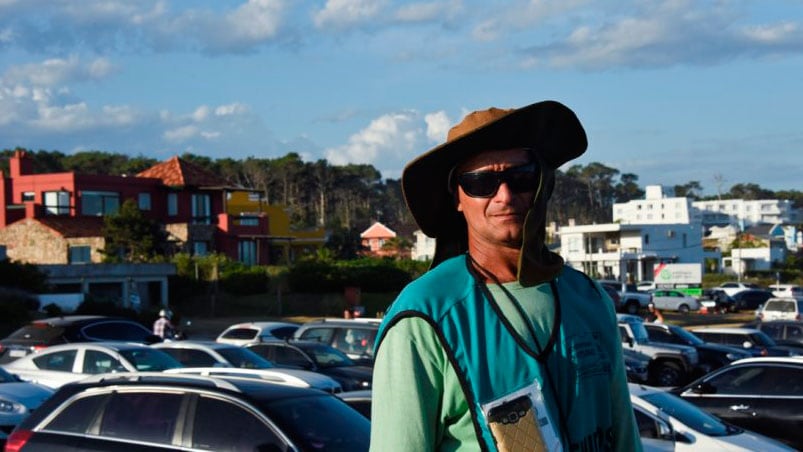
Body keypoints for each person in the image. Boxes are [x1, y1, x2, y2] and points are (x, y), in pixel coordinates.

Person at [370, 101, 641, 451]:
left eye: (521, 177)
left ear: (542, 184)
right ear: (457, 197)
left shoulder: (589, 298)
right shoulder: (425, 316)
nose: (505, 196)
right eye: (482, 182)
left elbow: (623, 437)